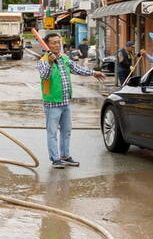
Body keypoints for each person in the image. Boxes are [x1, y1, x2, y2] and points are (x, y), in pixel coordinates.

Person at [38, 33, 106, 169]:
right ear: (47, 45)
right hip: (52, 103)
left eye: (58, 42)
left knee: (66, 131)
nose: (57, 45)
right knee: (52, 133)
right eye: (53, 43)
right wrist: (51, 63)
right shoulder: (43, 61)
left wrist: (93, 73)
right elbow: (45, 76)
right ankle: (55, 159)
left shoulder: (64, 58)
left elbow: (76, 69)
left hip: (65, 102)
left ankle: (65, 156)